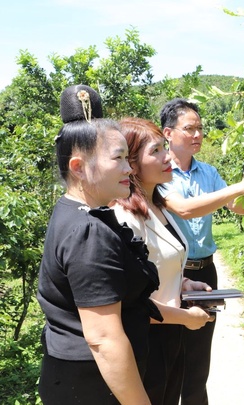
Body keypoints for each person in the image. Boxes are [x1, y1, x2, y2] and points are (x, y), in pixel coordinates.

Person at [37, 85, 159, 404]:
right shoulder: (86, 231)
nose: (129, 169)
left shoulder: (76, 212)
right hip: (91, 385)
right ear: (78, 168)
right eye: (118, 159)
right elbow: (104, 339)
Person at [159, 98, 244, 405]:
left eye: (200, 129)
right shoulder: (159, 172)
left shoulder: (208, 172)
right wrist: (238, 186)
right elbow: (184, 210)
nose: (197, 135)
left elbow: (240, 208)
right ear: (168, 133)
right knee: (170, 358)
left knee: (198, 359)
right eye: (189, 128)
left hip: (205, 272)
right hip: (172, 275)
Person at [111, 117, 216, 405]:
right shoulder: (125, 219)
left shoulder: (158, 207)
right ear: (131, 163)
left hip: (170, 335)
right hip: (146, 342)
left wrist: (183, 282)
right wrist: (187, 318)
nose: (168, 156)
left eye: (164, 148)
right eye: (156, 151)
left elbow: (153, 269)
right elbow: (130, 302)